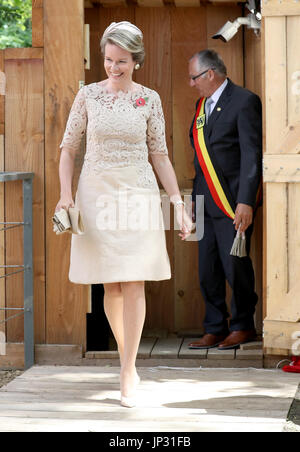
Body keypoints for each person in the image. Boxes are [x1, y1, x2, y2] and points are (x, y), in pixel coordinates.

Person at [56, 21, 192, 408]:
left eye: (121, 61)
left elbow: (160, 154)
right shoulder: (87, 96)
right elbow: (68, 149)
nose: (113, 67)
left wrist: (178, 207)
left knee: (133, 281)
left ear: (137, 60)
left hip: (138, 193)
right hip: (96, 192)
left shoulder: (149, 99)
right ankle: (125, 359)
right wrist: (66, 195)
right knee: (110, 284)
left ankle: (128, 368)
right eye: (108, 59)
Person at [188, 49, 262, 351]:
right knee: (208, 269)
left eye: (194, 78)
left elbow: (251, 155)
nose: (191, 84)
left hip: (232, 202)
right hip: (206, 202)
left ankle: (243, 325)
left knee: (236, 266)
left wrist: (246, 201)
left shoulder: (244, 101)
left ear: (210, 74)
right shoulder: (200, 105)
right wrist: (194, 199)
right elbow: (199, 159)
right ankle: (215, 327)